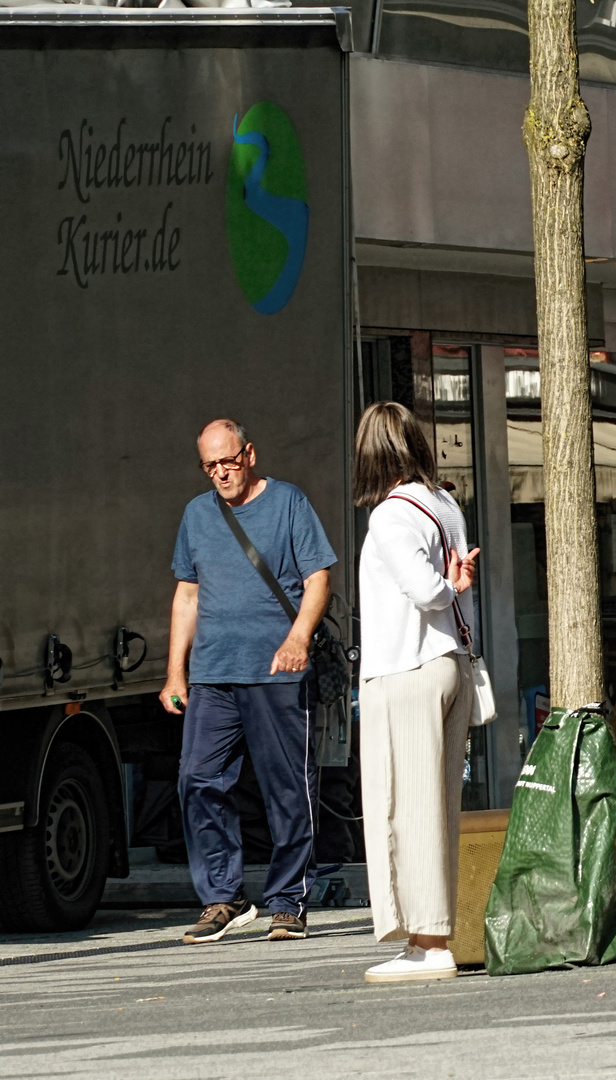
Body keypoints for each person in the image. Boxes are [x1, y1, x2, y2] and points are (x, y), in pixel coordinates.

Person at [160, 419, 338, 945]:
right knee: (197, 779)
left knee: (287, 789)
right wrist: (175, 671)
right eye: (210, 465)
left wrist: (298, 638)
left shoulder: (288, 503)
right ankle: (224, 897)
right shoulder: (196, 514)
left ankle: (287, 902)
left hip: (276, 671)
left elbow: (318, 578)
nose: (221, 472)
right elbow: (186, 596)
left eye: (228, 461)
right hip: (214, 672)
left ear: (250, 454)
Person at [349, 403, 480, 983]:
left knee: (404, 807)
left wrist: (447, 584)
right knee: (437, 807)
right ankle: (431, 936)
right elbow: (447, 588)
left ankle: (427, 945)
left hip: (405, 668)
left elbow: (427, 589)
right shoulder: (444, 503)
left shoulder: (390, 516)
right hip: (449, 661)